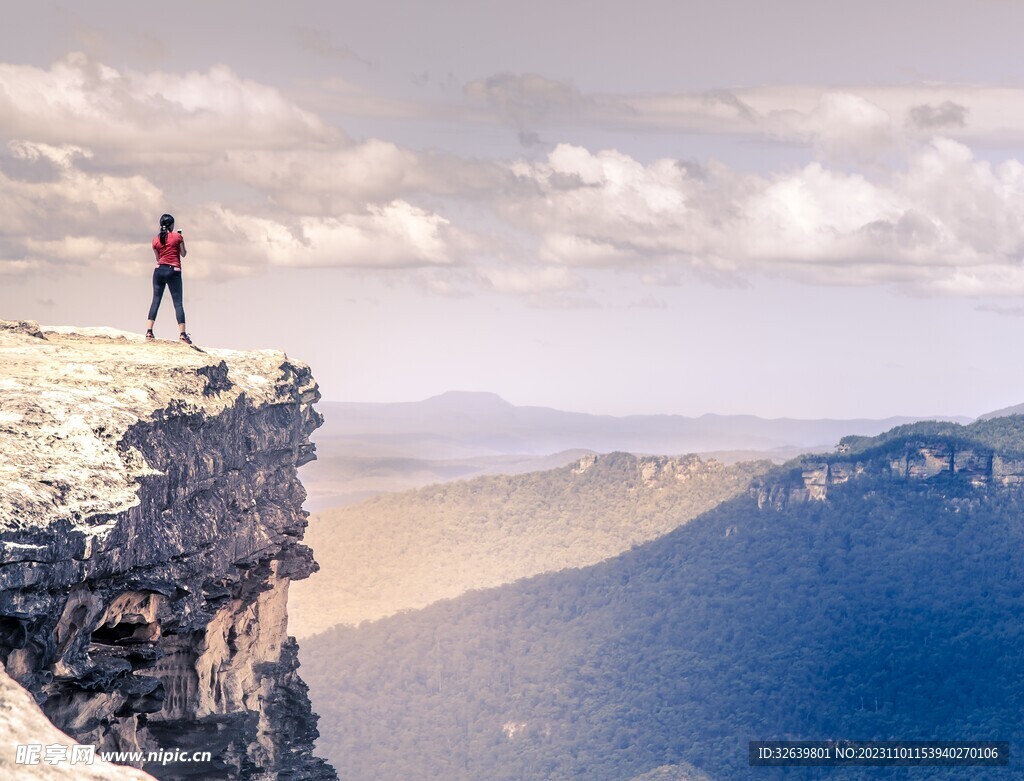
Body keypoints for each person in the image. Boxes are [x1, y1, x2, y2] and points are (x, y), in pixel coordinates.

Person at [145, 213, 192, 344]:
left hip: (159, 270)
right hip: (174, 271)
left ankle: (149, 332)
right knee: (178, 303)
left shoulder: (155, 240)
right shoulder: (177, 237)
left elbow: (158, 259)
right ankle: (182, 335)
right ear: (172, 225)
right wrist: (180, 239)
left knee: (155, 301)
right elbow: (183, 254)